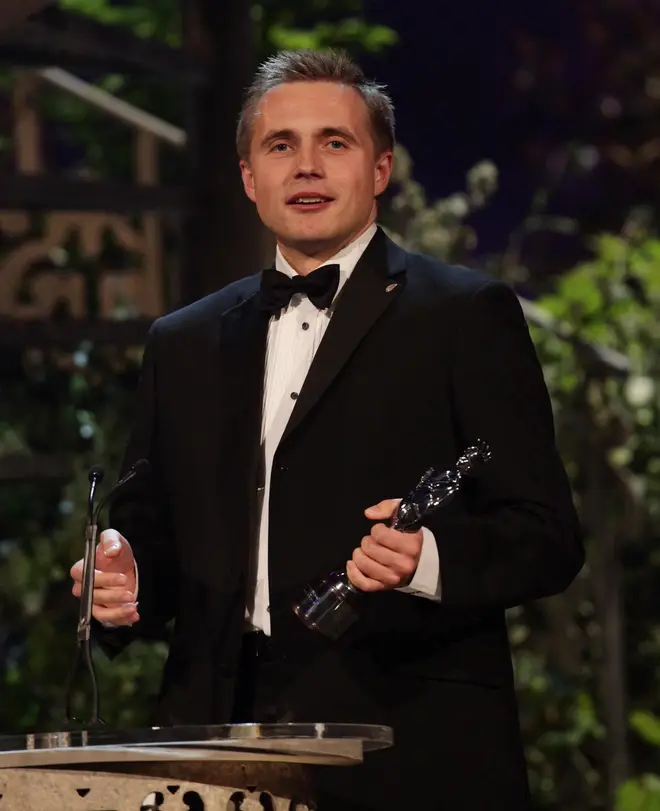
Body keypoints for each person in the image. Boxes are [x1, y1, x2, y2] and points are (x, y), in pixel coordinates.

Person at [70, 49, 584, 811]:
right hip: (216, 748)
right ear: (250, 178)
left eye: (333, 143)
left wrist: (429, 558)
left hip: (406, 748)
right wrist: (125, 579)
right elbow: (150, 530)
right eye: (281, 146)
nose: (305, 166)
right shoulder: (182, 340)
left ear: (380, 169)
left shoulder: (464, 316)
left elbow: (547, 535)